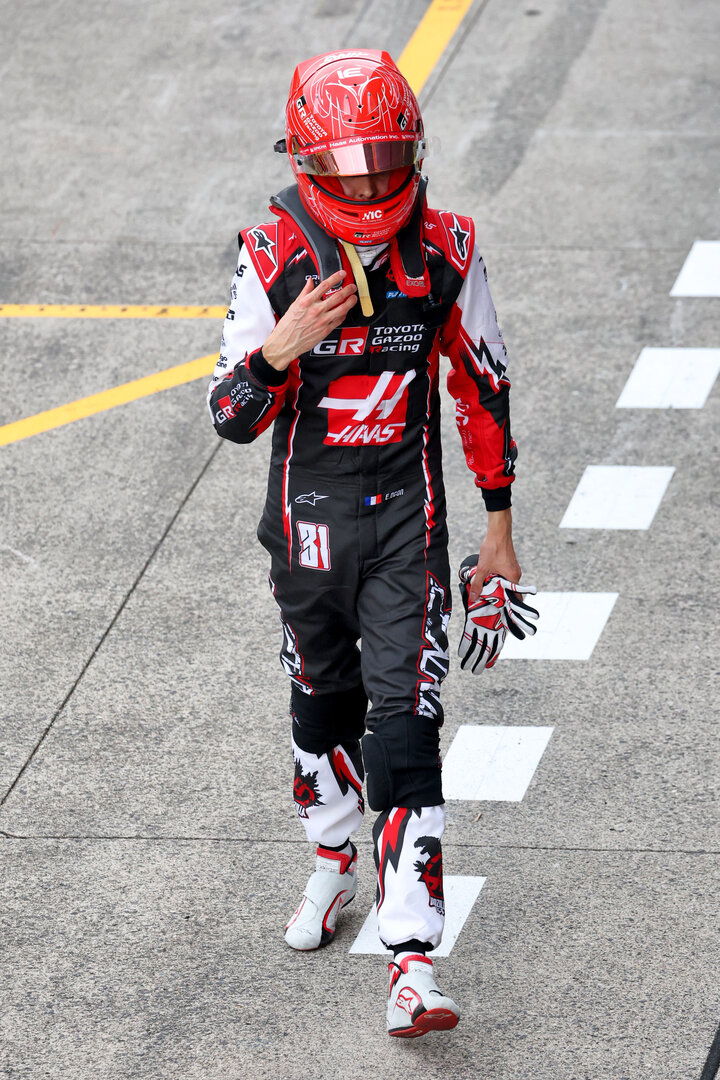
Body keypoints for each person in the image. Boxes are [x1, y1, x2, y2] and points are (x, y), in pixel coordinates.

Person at [207, 49, 537, 1038]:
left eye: (381, 163)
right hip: (306, 527)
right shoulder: (270, 256)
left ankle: (414, 961)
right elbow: (228, 414)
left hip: (410, 525)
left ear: (413, 154)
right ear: (307, 162)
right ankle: (328, 859)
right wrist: (282, 346)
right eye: (344, 168)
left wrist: (501, 532)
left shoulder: (448, 250)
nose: (365, 185)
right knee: (321, 713)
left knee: (404, 731)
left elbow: (485, 385)